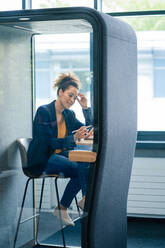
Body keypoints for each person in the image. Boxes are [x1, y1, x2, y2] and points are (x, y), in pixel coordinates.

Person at [27, 72, 93, 226]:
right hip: (41, 159)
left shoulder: (69, 114)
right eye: (69, 95)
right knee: (80, 168)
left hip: (58, 156)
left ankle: (78, 201)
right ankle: (73, 203)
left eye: (74, 98)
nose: (71, 100)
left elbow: (87, 128)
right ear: (60, 92)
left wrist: (85, 108)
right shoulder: (43, 111)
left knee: (84, 159)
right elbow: (46, 143)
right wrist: (73, 139)